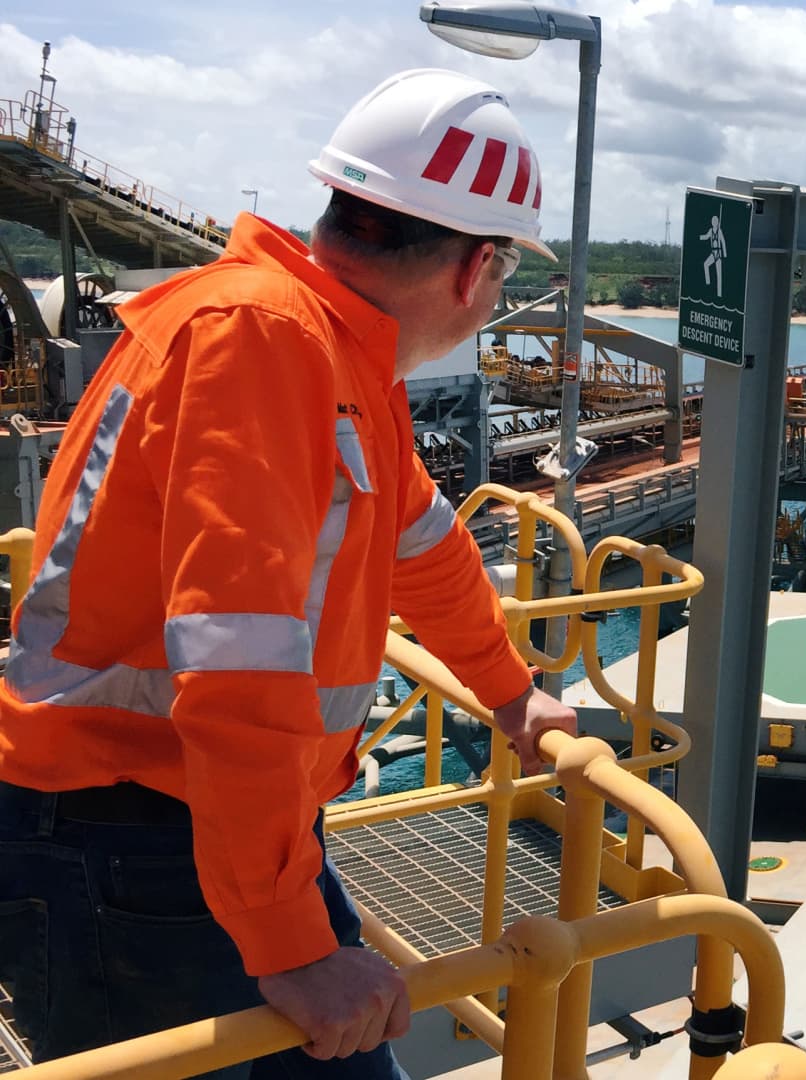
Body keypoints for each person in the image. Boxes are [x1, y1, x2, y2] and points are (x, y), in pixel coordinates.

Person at [0, 69, 578, 1076]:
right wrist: (294, 947)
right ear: (475, 265)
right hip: (128, 837)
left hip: (204, 827)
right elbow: (237, 659)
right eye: (506, 282)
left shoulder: (343, 355)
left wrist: (512, 694)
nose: (496, 303)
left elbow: (425, 552)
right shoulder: (264, 339)